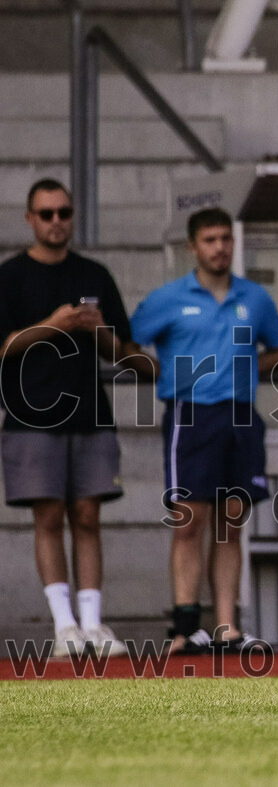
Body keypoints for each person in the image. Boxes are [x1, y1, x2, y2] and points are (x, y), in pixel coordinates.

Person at [0, 178, 155, 658]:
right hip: (30, 413)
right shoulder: (10, 276)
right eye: (45, 214)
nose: (55, 222)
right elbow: (5, 346)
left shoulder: (95, 274)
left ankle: (91, 624)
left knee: (88, 515)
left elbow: (124, 352)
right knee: (48, 516)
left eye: (63, 213)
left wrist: (98, 331)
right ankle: (63, 626)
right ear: (30, 218)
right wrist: (55, 324)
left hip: (90, 412)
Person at [131, 208, 278, 654]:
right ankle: (183, 628)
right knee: (189, 521)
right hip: (191, 414)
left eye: (225, 239)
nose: (220, 247)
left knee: (231, 525)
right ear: (193, 247)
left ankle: (226, 628)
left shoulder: (254, 298)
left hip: (240, 416)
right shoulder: (168, 298)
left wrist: (244, 370)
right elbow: (128, 339)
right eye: (210, 240)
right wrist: (160, 375)